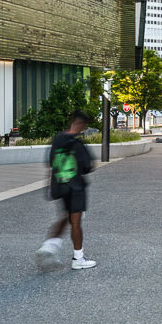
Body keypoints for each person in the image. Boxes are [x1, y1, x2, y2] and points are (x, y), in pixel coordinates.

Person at [36, 110, 96, 271]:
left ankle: (49, 245)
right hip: (76, 187)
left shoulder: (58, 139)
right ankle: (78, 258)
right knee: (76, 222)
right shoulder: (78, 143)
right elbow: (87, 167)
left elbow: (50, 162)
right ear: (82, 125)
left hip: (60, 185)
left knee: (66, 216)